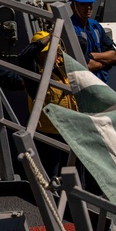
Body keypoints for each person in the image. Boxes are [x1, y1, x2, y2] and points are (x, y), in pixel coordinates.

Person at [17, 30, 78, 177]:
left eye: (53, 51)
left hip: (69, 130)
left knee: (71, 172)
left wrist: (59, 39)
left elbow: (81, 45)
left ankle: (71, 198)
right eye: (45, 52)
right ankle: (53, 199)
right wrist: (52, 35)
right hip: (49, 134)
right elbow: (24, 57)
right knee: (52, 173)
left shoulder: (61, 67)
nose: (51, 55)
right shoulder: (34, 75)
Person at [68, 0, 116, 83]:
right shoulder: (70, 29)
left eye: (90, 3)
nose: (88, 8)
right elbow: (84, 66)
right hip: (84, 86)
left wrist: (91, 56)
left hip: (102, 83)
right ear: (72, 6)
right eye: (83, 4)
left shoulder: (95, 26)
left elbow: (113, 56)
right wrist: (104, 63)